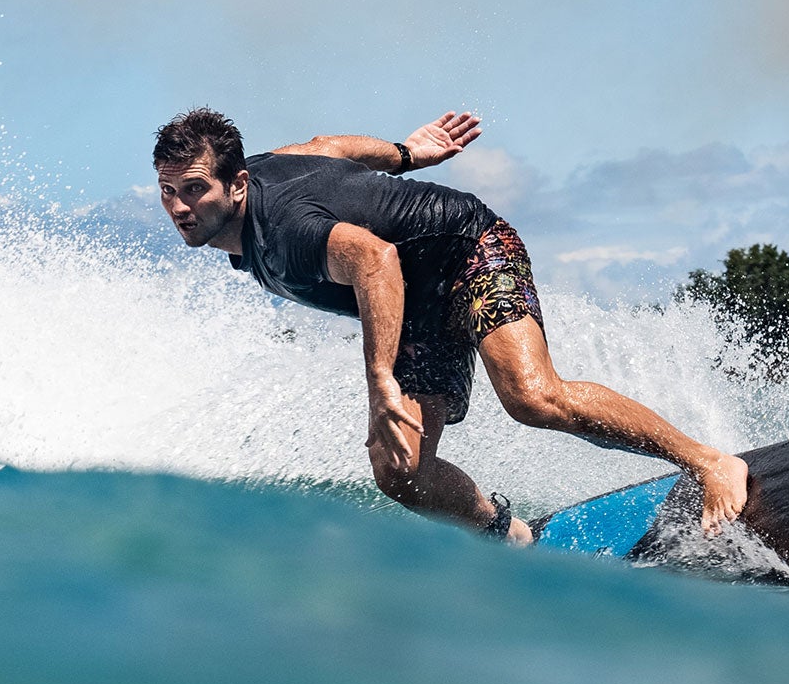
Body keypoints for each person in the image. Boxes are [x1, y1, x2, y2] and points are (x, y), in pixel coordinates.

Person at [152, 107, 748, 545]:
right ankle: (512, 538)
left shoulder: (283, 231)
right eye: (169, 192)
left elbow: (374, 260)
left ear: (237, 183)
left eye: (195, 189)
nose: (181, 207)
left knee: (532, 397)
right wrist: (407, 154)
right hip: (418, 304)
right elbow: (326, 145)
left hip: (467, 249)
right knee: (400, 472)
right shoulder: (260, 175)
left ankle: (708, 461)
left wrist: (382, 379)